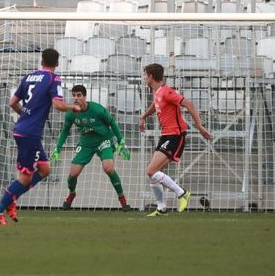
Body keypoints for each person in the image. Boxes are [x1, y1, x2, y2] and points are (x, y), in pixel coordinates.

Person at [0, 49, 80, 226]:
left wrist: (25, 115)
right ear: (57, 63)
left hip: (25, 130)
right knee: (25, 177)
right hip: (29, 134)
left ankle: (12, 198)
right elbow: (58, 105)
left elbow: (12, 102)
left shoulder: (29, 77)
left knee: (45, 170)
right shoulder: (54, 79)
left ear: (41, 61)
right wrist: (73, 107)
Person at [139, 63, 211, 216]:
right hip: (166, 135)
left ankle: (182, 193)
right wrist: (144, 116)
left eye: (145, 75)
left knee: (151, 170)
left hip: (175, 135)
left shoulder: (167, 92)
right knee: (153, 173)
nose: (144, 77)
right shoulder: (156, 91)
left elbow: (189, 104)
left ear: (151, 76)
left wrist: (199, 126)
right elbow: (155, 104)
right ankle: (161, 208)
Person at [52, 84, 131, 211]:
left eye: (79, 95)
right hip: (86, 143)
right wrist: (58, 148)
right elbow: (65, 131)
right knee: (73, 174)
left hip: (103, 140)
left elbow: (112, 123)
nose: (76, 98)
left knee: (108, 168)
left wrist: (121, 143)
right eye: (74, 95)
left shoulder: (97, 109)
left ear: (85, 96)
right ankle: (71, 194)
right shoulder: (71, 113)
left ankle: (123, 200)